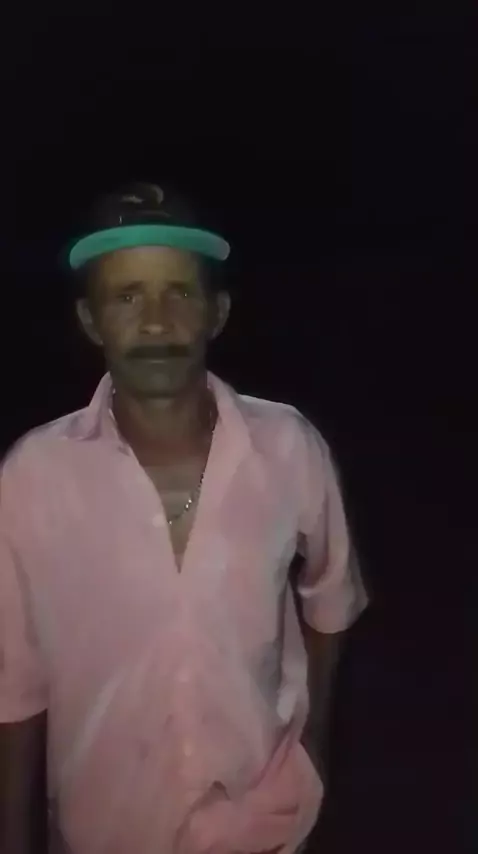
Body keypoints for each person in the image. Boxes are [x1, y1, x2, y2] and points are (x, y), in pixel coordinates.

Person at [0, 183, 368, 854]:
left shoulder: (288, 448)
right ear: (90, 320)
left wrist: (313, 748)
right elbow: (14, 684)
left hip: (264, 825)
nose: (156, 322)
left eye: (179, 293)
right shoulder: (31, 478)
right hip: (103, 833)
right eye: (127, 296)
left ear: (216, 312)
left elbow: (331, 600)